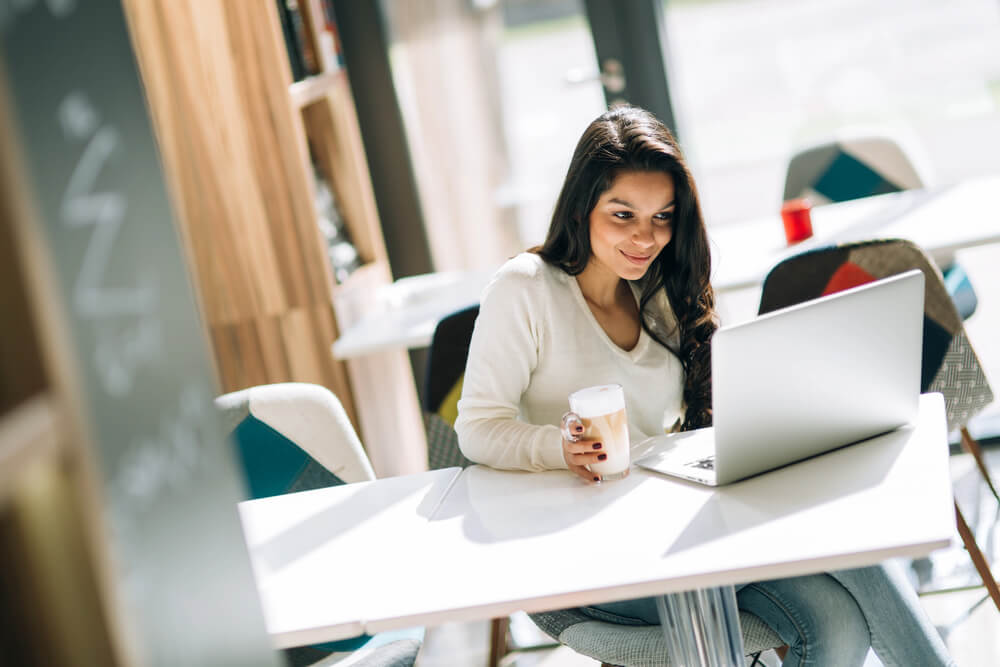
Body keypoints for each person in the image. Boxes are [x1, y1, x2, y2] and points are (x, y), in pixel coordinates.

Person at [455, 105, 954, 667]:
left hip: (669, 522)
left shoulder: (658, 291)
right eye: (623, 215)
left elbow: (700, 403)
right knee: (850, 573)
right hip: (584, 551)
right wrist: (560, 448)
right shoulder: (526, 290)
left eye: (663, 217)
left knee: (839, 613)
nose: (646, 238)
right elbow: (476, 429)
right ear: (581, 208)